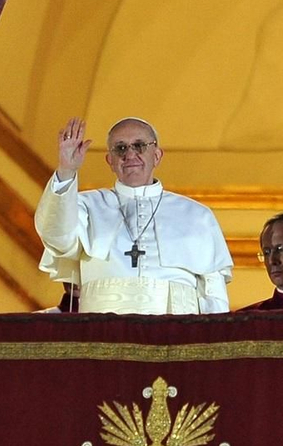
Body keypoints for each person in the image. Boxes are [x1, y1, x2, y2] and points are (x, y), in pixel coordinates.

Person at [35, 117, 232, 314]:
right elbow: (57, 237)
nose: (130, 155)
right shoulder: (86, 206)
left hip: (176, 328)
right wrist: (66, 170)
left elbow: (213, 293)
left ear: (156, 156)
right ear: (110, 161)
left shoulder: (197, 215)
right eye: (120, 148)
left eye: (139, 146)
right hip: (104, 329)